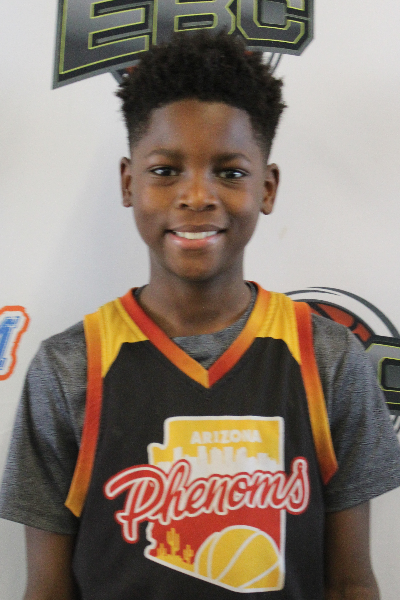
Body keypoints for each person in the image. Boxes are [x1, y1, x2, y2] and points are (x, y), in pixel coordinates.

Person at [1, 31, 400, 600]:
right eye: (166, 170)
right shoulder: (69, 368)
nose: (196, 196)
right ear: (128, 182)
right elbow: (46, 588)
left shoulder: (328, 360)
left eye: (229, 173)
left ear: (268, 188)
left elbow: (350, 583)